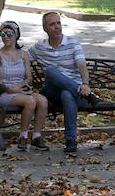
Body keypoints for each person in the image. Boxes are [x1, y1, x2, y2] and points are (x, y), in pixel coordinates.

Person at [30, 11, 99, 156]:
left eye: (58, 23)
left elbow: (82, 65)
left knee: (67, 94)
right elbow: (21, 57)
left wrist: (85, 83)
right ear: (45, 28)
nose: (57, 27)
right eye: (52, 24)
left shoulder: (73, 43)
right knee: (50, 71)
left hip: (73, 94)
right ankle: (88, 95)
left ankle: (70, 140)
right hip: (53, 94)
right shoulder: (39, 47)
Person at [0, 21, 49, 152]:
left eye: (9, 34)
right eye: (2, 34)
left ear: (16, 35)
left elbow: (28, 77)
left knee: (43, 101)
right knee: (30, 101)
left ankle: (36, 136)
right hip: (3, 92)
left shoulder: (23, 54)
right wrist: (9, 88)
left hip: (21, 90)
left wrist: (19, 86)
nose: (6, 37)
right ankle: (23, 136)